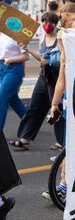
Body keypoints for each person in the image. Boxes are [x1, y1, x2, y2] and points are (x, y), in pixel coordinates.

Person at [9, 13, 64, 151]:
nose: (47, 25)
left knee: (56, 111)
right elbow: (41, 58)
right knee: (34, 107)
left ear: (56, 24)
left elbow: (61, 60)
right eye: (44, 21)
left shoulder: (60, 38)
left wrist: (51, 61)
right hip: (44, 76)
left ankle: (62, 141)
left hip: (56, 78)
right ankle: (24, 139)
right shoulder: (43, 39)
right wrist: (28, 50)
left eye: (50, 22)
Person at [0, 32, 29, 133]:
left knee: (1, 97)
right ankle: (30, 123)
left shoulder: (17, 35)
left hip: (14, 68)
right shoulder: (2, 35)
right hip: (2, 68)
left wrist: (9, 60)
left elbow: (26, 56)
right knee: (13, 99)